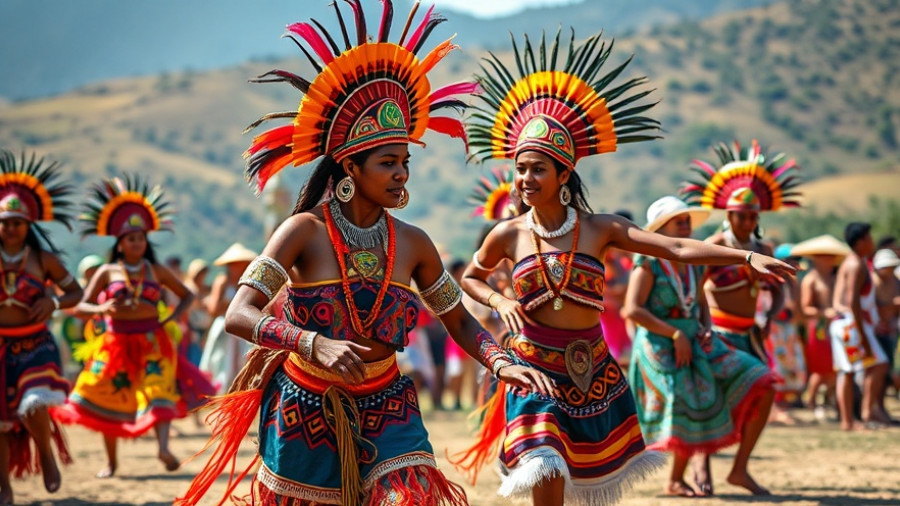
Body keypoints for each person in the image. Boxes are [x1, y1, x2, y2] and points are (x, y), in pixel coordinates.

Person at [176, 3, 551, 504]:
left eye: (405, 161)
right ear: (351, 168)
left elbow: (459, 321)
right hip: (304, 404)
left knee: (411, 498)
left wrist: (500, 362)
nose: (402, 173)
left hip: (389, 402)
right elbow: (237, 314)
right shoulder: (302, 231)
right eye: (388, 162)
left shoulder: (414, 243)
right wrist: (314, 344)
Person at [451, 32, 794, 505]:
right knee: (546, 470)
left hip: (591, 370)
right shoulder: (507, 234)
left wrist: (745, 255)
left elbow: (675, 246)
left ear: (564, 174)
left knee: (579, 482)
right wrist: (499, 298)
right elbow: (470, 276)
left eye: (537, 170)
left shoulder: (601, 229)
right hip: (533, 368)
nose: (525, 179)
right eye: (520, 169)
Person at [625, 196, 776, 498]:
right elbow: (632, 309)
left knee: (763, 381)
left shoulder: (695, 259)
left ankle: (739, 469)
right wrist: (675, 335)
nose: (686, 224)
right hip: (659, 341)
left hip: (697, 338)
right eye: (679, 220)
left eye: (687, 220)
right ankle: (677, 479)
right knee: (686, 398)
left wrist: (706, 328)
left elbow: (701, 299)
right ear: (662, 227)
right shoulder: (649, 260)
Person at [52, 175, 195, 477]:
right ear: (120, 243)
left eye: (141, 238)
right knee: (107, 398)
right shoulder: (106, 271)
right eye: (131, 238)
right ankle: (111, 462)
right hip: (114, 343)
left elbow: (188, 295)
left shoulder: (156, 270)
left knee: (159, 391)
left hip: (152, 342)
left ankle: (164, 448)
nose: (137, 243)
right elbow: (80, 305)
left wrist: (171, 317)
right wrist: (102, 308)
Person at [0, 150, 83, 503]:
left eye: (17, 222)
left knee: (35, 401)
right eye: (4, 222)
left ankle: (46, 453)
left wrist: (52, 301)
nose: (10, 228)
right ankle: (4, 485)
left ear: (29, 225)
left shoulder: (43, 259)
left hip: (36, 344)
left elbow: (75, 292)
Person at [830, 222, 891, 429]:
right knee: (875, 365)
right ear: (861, 241)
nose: (872, 242)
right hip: (851, 325)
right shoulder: (856, 264)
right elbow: (852, 300)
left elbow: (841, 300)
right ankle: (859, 415)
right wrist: (862, 332)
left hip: (846, 323)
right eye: (869, 238)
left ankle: (857, 417)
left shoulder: (850, 262)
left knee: (849, 371)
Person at [792, 235, 849, 418]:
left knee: (834, 367)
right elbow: (806, 308)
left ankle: (829, 400)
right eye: (826, 256)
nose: (831, 260)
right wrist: (825, 313)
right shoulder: (811, 280)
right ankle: (812, 401)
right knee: (819, 368)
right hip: (818, 329)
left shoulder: (835, 279)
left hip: (835, 328)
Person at [198, 242, 256, 392]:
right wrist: (232, 306)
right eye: (235, 264)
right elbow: (213, 309)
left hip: (242, 330)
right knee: (222, 366)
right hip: (224, 328)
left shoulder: (247, 282)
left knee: (241, 363)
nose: (238, 267)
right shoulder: (222, 281)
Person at [763, 244, 807, 411]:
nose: (795, 264)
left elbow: (797, 309)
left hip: (789, 330)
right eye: (791, 260)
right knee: (777, 368)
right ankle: (777, 408)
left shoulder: (793, 282)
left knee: (792, 367)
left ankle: (785, 406)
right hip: (775, 330)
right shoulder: (771, 279)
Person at [872, 248, 899, 416]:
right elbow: (873, 308)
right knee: (878, 372)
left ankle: (880, 407)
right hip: (876, 331)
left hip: (890, 331)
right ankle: (875, 407)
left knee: (886, 371)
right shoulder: (873, 282)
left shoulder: (896, 281)